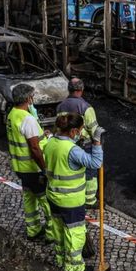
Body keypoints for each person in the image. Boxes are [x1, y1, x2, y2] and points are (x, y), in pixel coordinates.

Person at [44, 113, 104, 271]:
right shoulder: (73, 151)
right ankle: (75, 267)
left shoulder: (51, 143)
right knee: (74, 233)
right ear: (72, 131)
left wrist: (76, 143)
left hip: (53, 196)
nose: (80, 134)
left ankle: (60, 258)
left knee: (58, 228)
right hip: (71, 201)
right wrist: (97, 142)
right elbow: (95, 163)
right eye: (79, 131)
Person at [6, 84, 52, 241]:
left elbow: (24, 140)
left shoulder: (12, 114)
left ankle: (33, 230)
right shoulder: (27, 119)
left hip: (20, 168)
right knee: (46, 201)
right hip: (33, 169)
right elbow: (34, 149)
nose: (33, 99)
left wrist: (41, 135)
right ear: (27, 98)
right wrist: (44, 169)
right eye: (32, 96)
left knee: (29, 199)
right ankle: (52, 234)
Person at [56, 78, 101, 208]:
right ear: (81, 90)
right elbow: (94, 130)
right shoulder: (86, 108)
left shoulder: (60, 106)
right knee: (90, 174)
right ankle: (90, 200)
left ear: (69, 89)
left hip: (67, 144)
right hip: (85, 146)